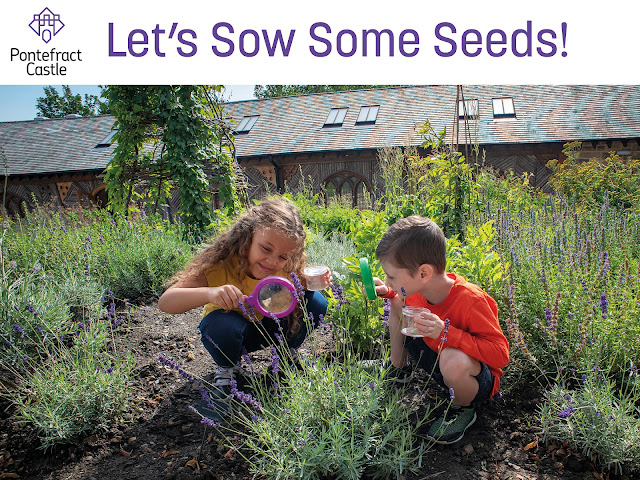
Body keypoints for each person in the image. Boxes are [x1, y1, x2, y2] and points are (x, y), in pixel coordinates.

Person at [158, 198, 329, 420]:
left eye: (283, 256)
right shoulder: (220, 266)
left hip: (270, 329)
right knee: (221, 325)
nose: (271, 261)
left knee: (316, 303)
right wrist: (210, 293)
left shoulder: (286, 270)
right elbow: (166, 302)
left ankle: (285, 360)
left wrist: (314, 281)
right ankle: (229, 371)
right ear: (248, 236)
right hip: (233, 337)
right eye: (266, 248)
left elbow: (307, 296)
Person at [372, 215, 509, 445]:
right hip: (438, 364)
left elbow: (501, 355)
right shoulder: (418, 289)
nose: (388, 280)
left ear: (424, 273)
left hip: (475, 379)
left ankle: (463, 408)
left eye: (392, 276)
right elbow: (399, 298)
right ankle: (399, 368)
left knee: (452, 358)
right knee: (396, 303)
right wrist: (388, 291)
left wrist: (446, 334)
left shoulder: (470, 300)